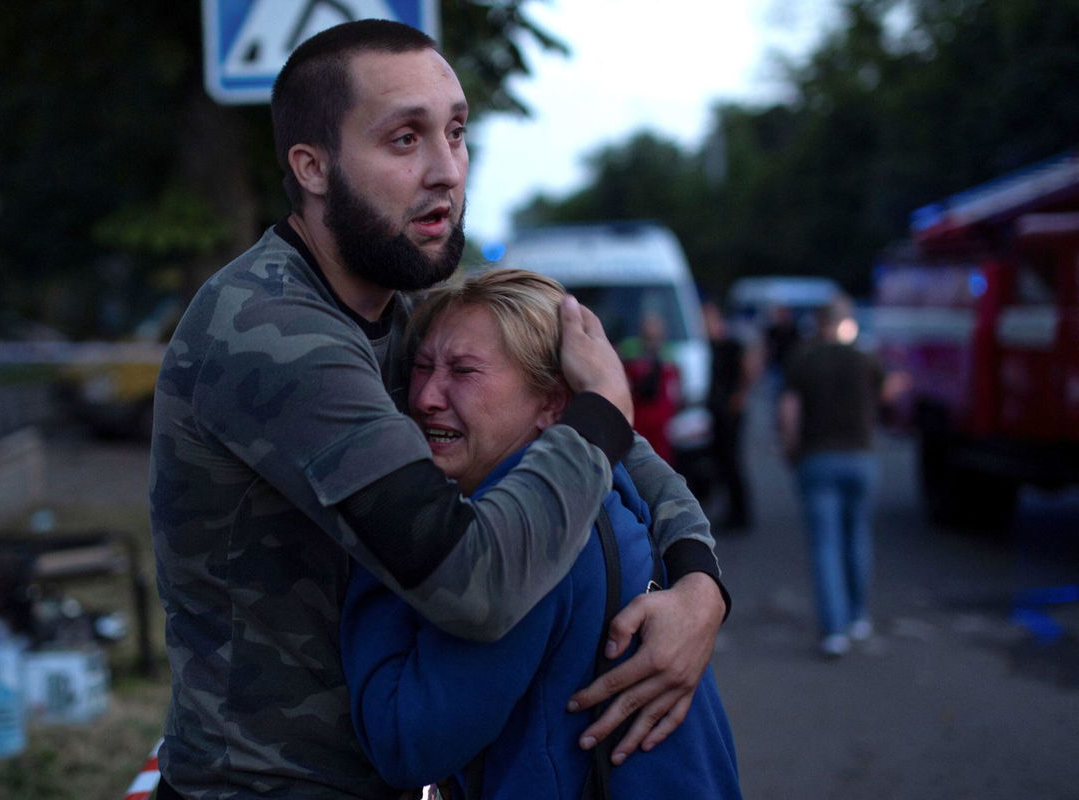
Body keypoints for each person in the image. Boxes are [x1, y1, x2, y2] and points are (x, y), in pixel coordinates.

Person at [149, 20, 728, 799]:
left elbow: (629, 455)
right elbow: (473, 584)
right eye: (404, 140)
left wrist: (700, 588)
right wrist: (597, 413)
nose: (448, 171)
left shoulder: (421, 298)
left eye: (456, 132)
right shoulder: (273, 333)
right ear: (312, 167)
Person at [342, 269, 741, 799]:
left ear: (554, 403)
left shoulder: (534, 534)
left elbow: (407, 741)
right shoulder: (605, 488)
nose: (426, 397)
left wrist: (381, 541)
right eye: (420, 367)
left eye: (463, 371)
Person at [777, 296, 904, 658]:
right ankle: (858, 617)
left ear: (818, 323)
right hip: (860, 458)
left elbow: (789, 411)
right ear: (847, 322)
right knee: (857, 537)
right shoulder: (865, 358)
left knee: (825, 546)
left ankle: (833, 631)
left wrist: (790, 450)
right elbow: (886, 395)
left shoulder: (803, 359)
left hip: (817, 459)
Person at [703, 299, 760, 531]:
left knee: (732, 461)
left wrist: (740, 395)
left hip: (730, 411)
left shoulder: (731, 345)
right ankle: (733, 512)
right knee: (722, 461)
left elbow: (748, 369)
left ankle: (740, 514)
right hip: (716, 409)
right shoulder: (706, 345)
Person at [621, 312, 682, 465]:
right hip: (640, 419)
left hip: (659, 422)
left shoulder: (669, 356)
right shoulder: (631, 353)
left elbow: (675, 391)